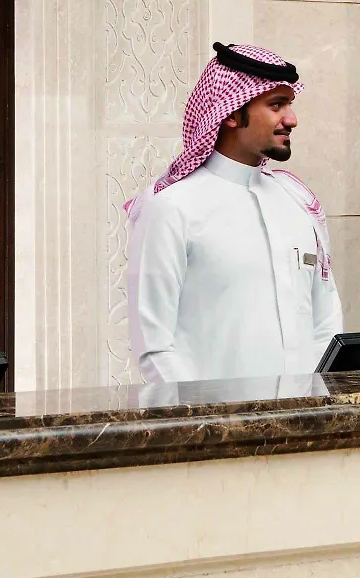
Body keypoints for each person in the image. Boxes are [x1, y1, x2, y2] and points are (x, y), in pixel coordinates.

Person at [126, 42, 342, 382]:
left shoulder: (298, 203)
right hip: (216, 429)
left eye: (290, 104)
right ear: (230, 112)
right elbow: (155, 347)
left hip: (304, 424)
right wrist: (210, 425)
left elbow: (326, 324)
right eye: (276, 105)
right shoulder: (172, 209)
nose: (292, 119)